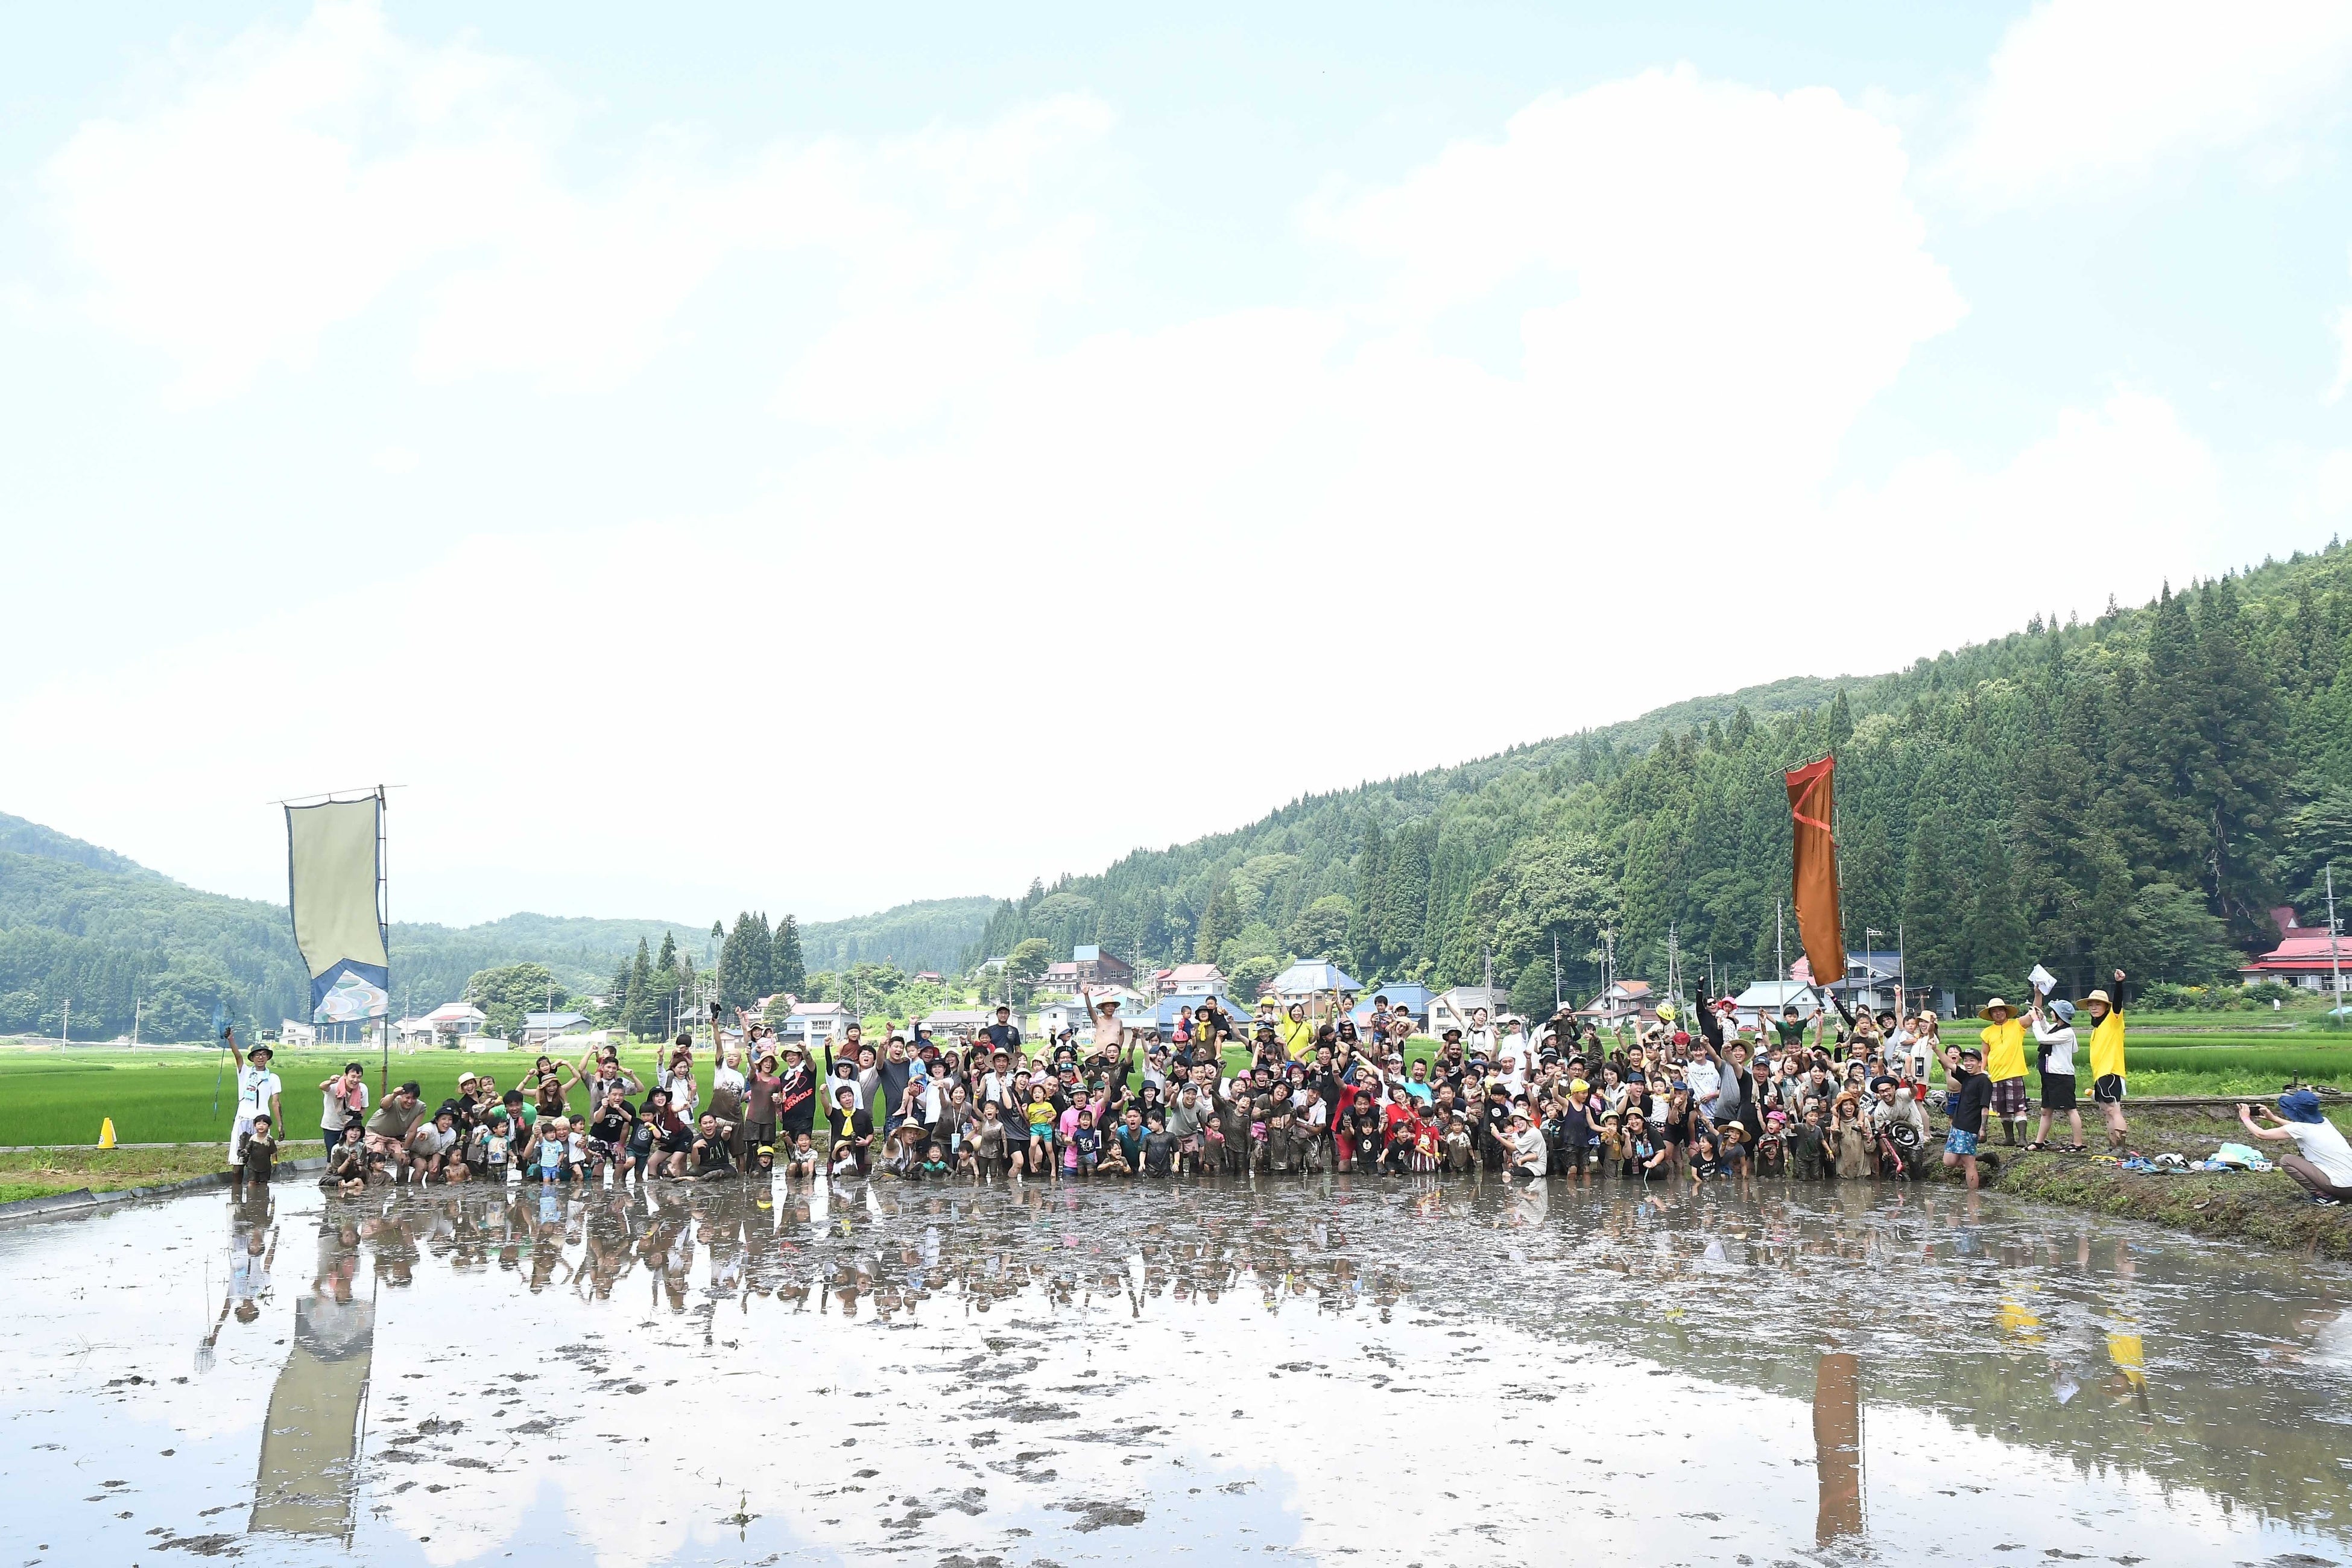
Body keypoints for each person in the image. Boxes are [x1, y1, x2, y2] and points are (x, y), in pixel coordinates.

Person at [2240, 1090, 2352, 1204]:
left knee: (2287, 1160)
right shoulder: (2325, 1123)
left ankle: (2325, 1196)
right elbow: (2298, 1128)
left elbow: (2262, 1134)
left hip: (2342, 1188)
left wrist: (2245, 1118)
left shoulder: (2301, 1129)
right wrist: (2274, 1119)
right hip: (2349, 1185)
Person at [2028, 996, 2085, 1152]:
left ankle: (2078, 1144)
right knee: (2046, 1110)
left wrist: (2035, 1021)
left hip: (2061, 1077)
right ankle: (2039, 1142)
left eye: (2053, 1011)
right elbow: (2049, 1032)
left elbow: (2043, 1038)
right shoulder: (2059, 1028)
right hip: (2049, 1076)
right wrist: (2042, 1020)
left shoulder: (2067, 1032)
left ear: (2059, 1014)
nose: (2051, 1013)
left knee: (2070, 1109)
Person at [2083, 969, 2131, 1152]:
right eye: (2091, 1005)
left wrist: (2119, 984)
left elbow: (2118, 1004)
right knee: (2106, 1111)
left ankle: (2121, 1147)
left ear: (2106, 1007)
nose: (2094, 1008)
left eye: (2098, 1005)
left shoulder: (2113, 1020)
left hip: (2110, 1072)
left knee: (2113, 1110)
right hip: (2100, 1074)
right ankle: (2113, 1146)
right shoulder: (2097, 1028)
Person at [224, 1031, 282, 1173]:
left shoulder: (273, 1078)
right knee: (238, 1164)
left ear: (268, 1057)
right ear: (252, 1058)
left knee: (260, 1163)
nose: (261, 1057)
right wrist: (231, 1039)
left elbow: (276, 1102)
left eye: (264, 1054)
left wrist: (280, 1125)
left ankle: (258, 1193)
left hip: (262, 1122)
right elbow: (238, 1056)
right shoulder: (245, 1072)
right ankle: (236, 1193)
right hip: (243, 1119)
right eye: (257, 1054)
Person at [1977, 996, 2031, 1147]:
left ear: (2006, 1012)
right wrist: (1982, 1070)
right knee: (2002, 1108)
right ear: (1991, 1015)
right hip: (1995, 1074)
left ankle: (2022, 1139)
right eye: (1994, 1011)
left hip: (2014, 1072)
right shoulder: (1987, 1032)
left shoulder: (2017, 1025)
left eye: (2001, 1010)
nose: (1998, 1013)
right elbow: (1985, 1053)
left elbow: (2034, 1012)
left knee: (2019, 1106)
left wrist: (2037, 994)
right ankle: (2009, 1138)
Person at [1942, 1046, 1991, 1190]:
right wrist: (1934, 1048)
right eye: (1966, 1061)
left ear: (1980, 1063)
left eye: (1972, 1061)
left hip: (1969, 1127)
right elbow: (1949, 1064)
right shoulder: (1967, 1077)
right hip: (1957, 1125)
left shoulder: (1984, 1081)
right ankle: (1978, 1158)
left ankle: (1973, 1199)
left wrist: (1983, 1129)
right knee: (1948, 1161)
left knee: (1969, 1164)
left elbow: (1985, 1107)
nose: (1969, 1063)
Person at [317, 1061, 368, 1153]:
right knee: (333, 1154)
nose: (355, 1080)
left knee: (358, 1154)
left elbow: (364, 1108)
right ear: (345, 1075)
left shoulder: (362, 1089)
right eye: (353, 1076)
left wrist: (355, 1121)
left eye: (359, 1077)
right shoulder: (334, 1086)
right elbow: (322, 1087)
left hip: (352, 1128)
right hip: (332, 1126)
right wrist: (330, 1081)